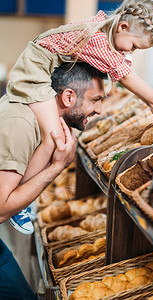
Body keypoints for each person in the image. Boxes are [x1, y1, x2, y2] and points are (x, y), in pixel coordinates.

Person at [6, 0, 153, 231]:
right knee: (53, 138)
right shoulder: (97, 39)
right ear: (123, 27)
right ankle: (18, 202)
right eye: (134, 45)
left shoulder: (103, 31)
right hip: (34, 72)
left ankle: (22, 196)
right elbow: (125, 77)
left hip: (40, 69)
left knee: (56, 138)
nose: (131, 51)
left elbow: (124, 72)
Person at [0, 61, 106, 299]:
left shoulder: (36, 116)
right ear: (68, 96)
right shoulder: (22, 123)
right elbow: (1, 209)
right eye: (95, 100)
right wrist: (57, 167)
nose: (99, 110)